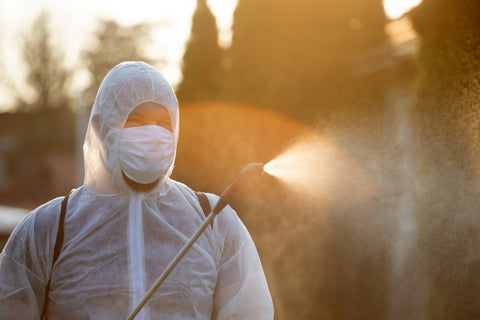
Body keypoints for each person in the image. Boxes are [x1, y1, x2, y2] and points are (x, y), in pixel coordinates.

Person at [0, 61, 274, 319]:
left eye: (164, 123)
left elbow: (250, 312)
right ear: (100, 127)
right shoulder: (47, 230)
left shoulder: (214, 220)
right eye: (136, 120)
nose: (153, 133)